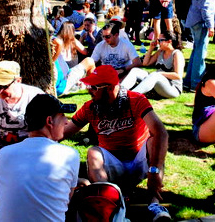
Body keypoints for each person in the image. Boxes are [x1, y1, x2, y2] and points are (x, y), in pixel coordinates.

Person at [63, 65, 171, 221]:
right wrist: (39, 137)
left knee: (154, 141)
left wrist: (154, 171)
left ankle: (154, 203)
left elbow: (161, 132)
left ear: (110, 88)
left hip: (138, 159)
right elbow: (64, 132)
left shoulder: (136, 100)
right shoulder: (90, 107)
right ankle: (107, 204)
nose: (89, 90)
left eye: (94, 87)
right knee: (93, 152)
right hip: (112, 163)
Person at [0, 94, 79, 222]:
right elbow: (65, 201)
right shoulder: (69, 155)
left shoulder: (3, 154)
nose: (67, 121)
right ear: (49, 121)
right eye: (62, 116)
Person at [121, 31, 184, 98]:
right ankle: (120, 92)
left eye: (160, 40)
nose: (158, 42)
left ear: (169, 41)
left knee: (155, 75)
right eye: (158, 40)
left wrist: (160, 74)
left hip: (173, 88)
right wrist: (151, 48)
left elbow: (178, 76)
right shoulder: (160, 52)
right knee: (135, 70)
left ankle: (131, 97)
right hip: (158, 82)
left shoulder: (176, 54)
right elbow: (146, 63)